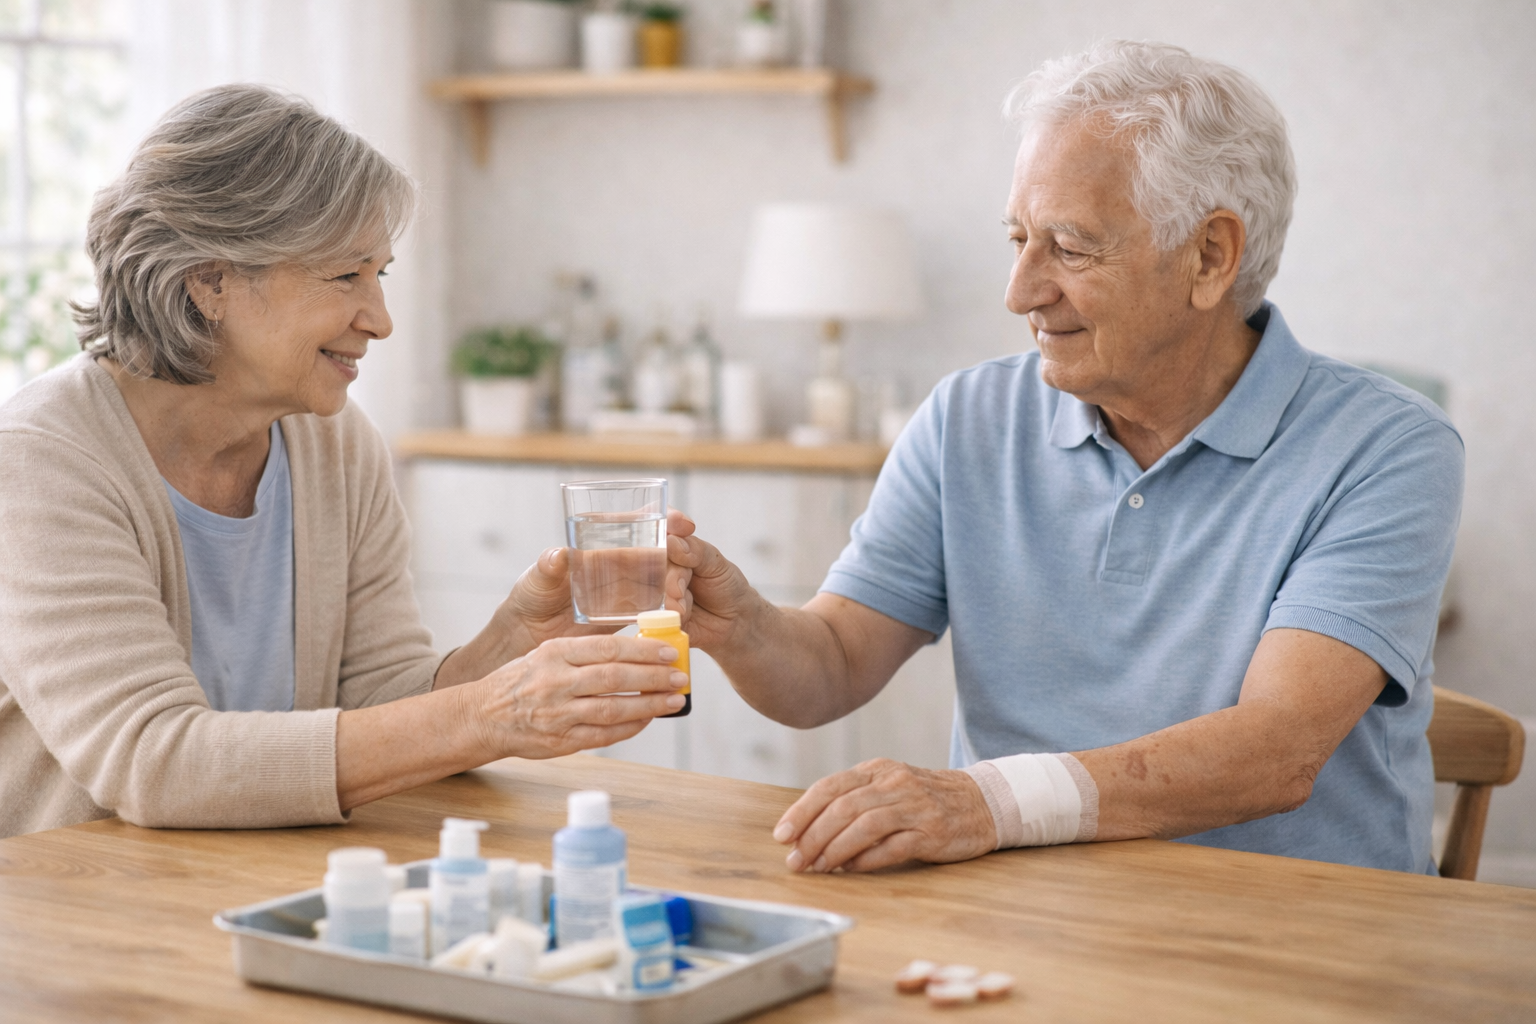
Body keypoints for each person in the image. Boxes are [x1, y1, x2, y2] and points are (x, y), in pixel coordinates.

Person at [668, 40, 1463, 875]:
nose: (1020, 292)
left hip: (1292, 941)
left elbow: (1275, 751)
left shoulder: (1388, 448)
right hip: (1022, 915)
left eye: (1071, 248)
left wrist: (985, 802)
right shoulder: (967, 416)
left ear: (1210, 257)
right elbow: (829, 667)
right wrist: (742, 625)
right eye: (1017, 239)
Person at [0, 85, 688, 839]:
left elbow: (378, 706)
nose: (381, 320)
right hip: (76, 912)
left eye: (380, 274)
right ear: (211, 281)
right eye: (345, 276)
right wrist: (493, 713)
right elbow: (154, 762)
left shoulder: (333, 443)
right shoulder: (41, 461)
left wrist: (512, 646)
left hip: (252, 888)